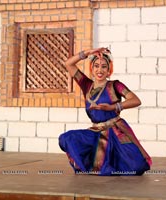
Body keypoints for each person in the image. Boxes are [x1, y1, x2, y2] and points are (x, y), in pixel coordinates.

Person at [59, 47, 152, 176]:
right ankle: (91, 166)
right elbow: (68, 64)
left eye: (104, 67)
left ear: (109, 70)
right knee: (66, 138)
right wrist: (88, 52)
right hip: (96, 132)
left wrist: (113, 107)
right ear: (92, 68)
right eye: (96, 66)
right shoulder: (86, 84)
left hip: (115, 131)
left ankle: (110, 163)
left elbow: (135, 100)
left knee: (137, 167)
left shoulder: (115, 85)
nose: (100, 70)